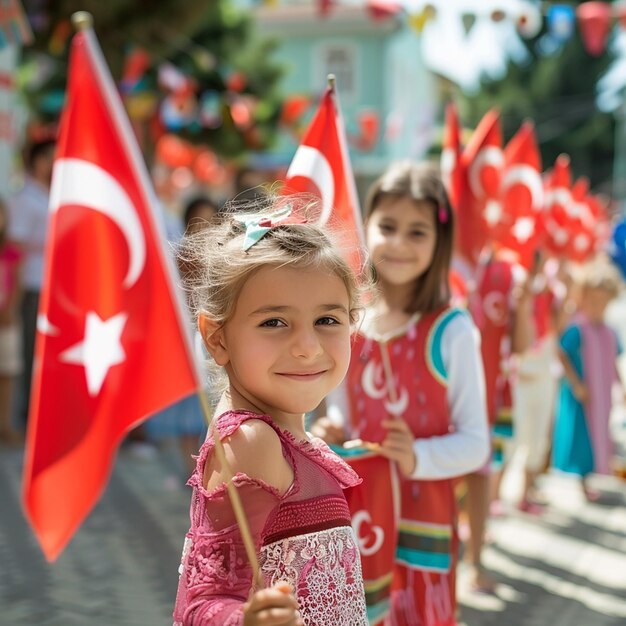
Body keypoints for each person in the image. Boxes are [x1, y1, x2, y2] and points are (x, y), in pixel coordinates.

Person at [173, 195, 368, 625]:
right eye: (274, 322)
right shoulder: (251, 441)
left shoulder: (283, 433)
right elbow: (202, 604)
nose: (307, 347)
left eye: (327, 320)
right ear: (217, 337)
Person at [314, 161, 489, 626]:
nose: (399, 243)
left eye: (417, 232)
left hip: (424, 532)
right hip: (363, 525)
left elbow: (477, 444)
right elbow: (346, 420)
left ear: (439, 241)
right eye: (387, 227)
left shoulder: (453, 330)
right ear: (367, 226)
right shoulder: (350, 325)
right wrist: (333, 432)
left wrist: (417, 458)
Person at [552, 259, 625, 501]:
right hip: (582, 394)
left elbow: (614, 360)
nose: (597, 308)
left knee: (597, 435)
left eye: (603, 304)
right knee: (581, 437)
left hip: (600, 394)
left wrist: (622, 386)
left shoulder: (607, 332)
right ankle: (581, 477)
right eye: (593, 302)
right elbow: (562, 353)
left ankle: (590, 476)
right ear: (582, 298)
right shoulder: (577, 329)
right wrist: (576, 383)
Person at [7, 138, 55, 425]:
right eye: (48, 158)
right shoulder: (24, 198)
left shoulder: (48, 194)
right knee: (28, 351)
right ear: (36, 161)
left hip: (50, 284)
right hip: (31, 284)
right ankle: (27, 414)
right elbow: (16, 248)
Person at [0, 199, 23, 445]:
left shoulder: (11, 250)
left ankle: (5, 424)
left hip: (7, 320)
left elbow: (17, 283)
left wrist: (10, 310)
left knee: (7, 373)